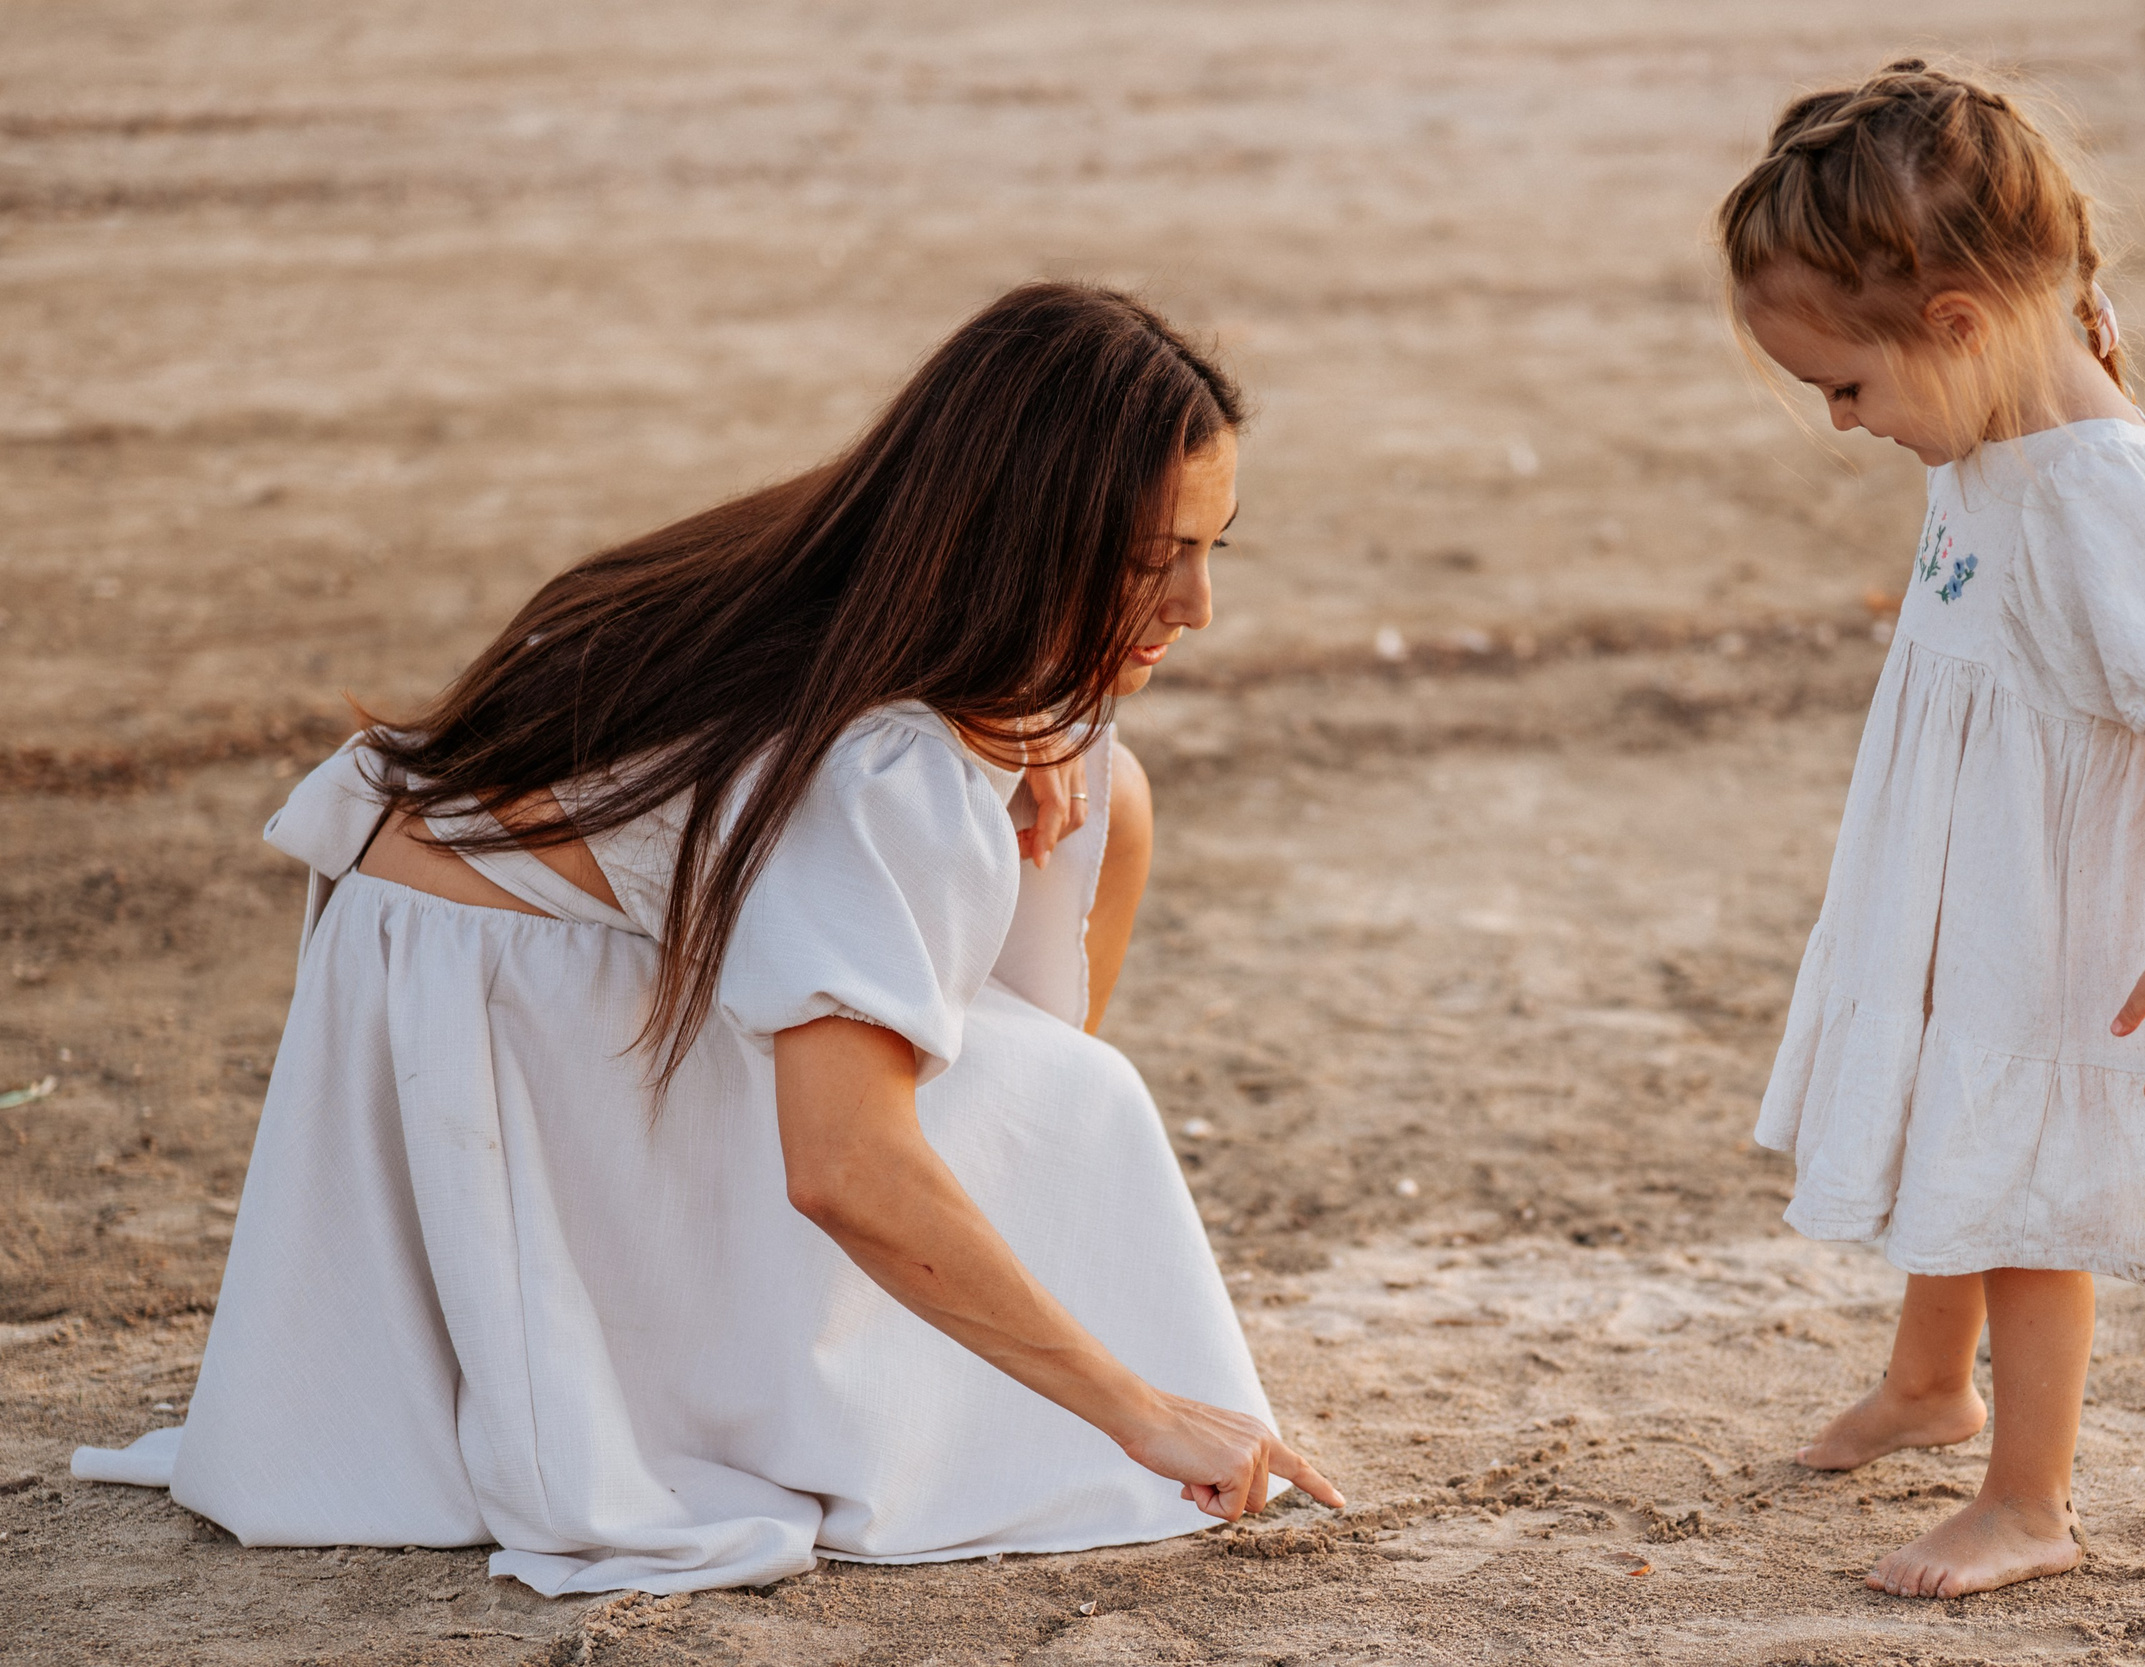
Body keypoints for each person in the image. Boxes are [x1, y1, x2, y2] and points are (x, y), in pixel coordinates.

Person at [73, 282, 1343, 1594]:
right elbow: (842, 1166)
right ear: (1020, 535)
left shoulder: (850, 574)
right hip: (510, 1011)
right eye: (1150, 562)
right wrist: (1134, 1406)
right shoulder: (873, 761)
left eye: (1216, 548)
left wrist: (1044, 723)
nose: (1197, 607)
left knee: (1101, 804)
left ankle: (974, 1227)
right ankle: (959, 1297)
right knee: (1083, 1104)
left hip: (452, 946)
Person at [1712, 61, 2145, 1597]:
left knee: (2028, 1185)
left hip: (2065, 915)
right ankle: (1928, 1385)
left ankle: (2030, 1498)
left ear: (1957, 320)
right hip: (1970, 881)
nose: (1840, 424)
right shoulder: (1992, 425)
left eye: (1847, 386)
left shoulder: (2100, 488)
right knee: (1956, 1107)